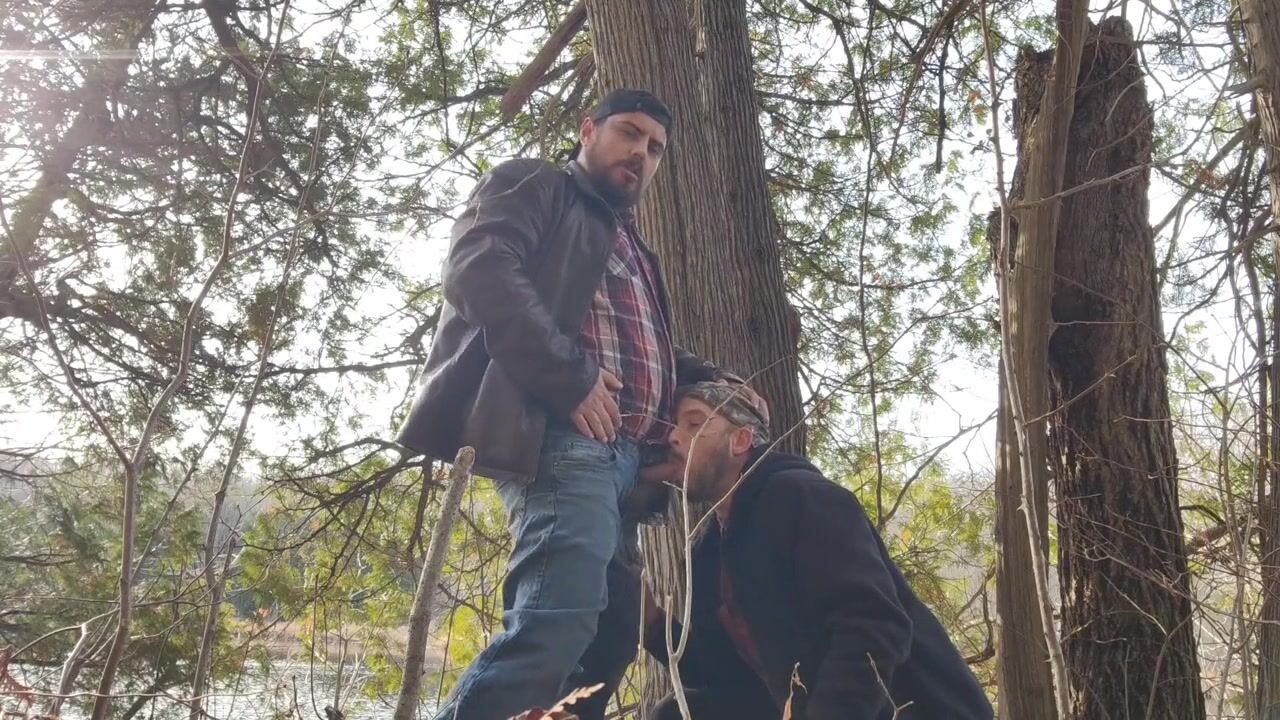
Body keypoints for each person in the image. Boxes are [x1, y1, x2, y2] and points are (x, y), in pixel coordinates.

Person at [394, 88, 764, 720]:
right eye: (629, 133)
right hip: (565, 441)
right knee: (555, 624)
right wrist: (571, 379)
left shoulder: (631, 242)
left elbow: (652, 350)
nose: (642, 153)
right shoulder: (537, 186)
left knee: (607, 642)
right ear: (588, 130)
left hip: (627, 467)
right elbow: (479, 269)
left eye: (655, 148)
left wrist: (718, 381)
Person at [639, 383, 994, 720]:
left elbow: (872, 626)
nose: (673, 436)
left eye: (695, 423)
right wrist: (654, 626)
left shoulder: (803, 498)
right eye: (673, 426)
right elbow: (729, 677)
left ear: (741, 440)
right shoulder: (708, 551)